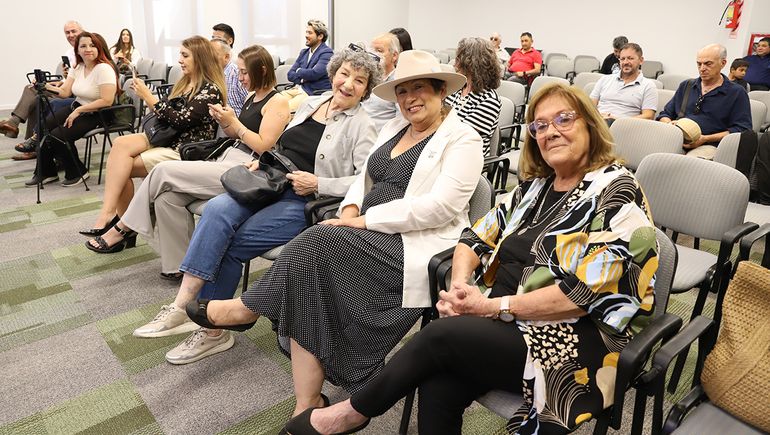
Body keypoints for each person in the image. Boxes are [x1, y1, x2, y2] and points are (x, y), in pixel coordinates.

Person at [281, 82, 658, 435]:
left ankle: (352, 412)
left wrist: (492, 307)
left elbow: (581, 296)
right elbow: (475, 235)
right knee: (439, 378)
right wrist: (461, 284)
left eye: (564, 119)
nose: (550, 132)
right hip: (509, 322)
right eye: (539, 125)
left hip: (572, 339)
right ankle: (352, 412)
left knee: (440, 337)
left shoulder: (617, 190)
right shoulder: (536, 187)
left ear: (591, 126)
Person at [183, 51, 483, 419]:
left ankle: (248, 307)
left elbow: (442, 206)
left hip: (413, 242)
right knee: (310, 270)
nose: (409, 99)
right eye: (402, 91)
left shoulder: (463, 138)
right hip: (366, 228)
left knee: (314, 244)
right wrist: (352, 209)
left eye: (419, 89)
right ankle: (307, 404)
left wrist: (362, 222)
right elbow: (363, 179)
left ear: (441, 91)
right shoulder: (395, 127)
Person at [131, 48, 382, 367]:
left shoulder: (363, 125)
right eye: (345, 74)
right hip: (268, 181)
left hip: (303, 199)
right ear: (333, 74)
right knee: (216, 211)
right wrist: (260, 161)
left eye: (359, 81)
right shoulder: (311, 102)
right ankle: (182, 305)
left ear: (366, 90)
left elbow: (364, 181)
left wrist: (318, 184)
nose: (348, 84)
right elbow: (282, 145)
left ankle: (214, 329)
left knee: (233, 241)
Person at [85, 44, 289, 266]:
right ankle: (178, 267)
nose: (239, 77)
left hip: (247, 168)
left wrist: (235, 124)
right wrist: (225, 122)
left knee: (162, 170)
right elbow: (237, 134)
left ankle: (123, 227)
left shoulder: (277, 101)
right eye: (239, 71)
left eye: (244, 72)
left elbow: (264, 147)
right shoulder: (253, 97)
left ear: (262, 70)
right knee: (167, 198)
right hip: (228, 155)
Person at [84, 36, 225, 235]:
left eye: (185, 56)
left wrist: (149, 97)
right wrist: (151, 99)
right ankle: (111, 216)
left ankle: (122, 226)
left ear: (200, 58)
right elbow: (166, 113)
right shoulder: (184, 82)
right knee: (120, 145)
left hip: (184, 148)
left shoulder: (211, 89)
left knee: (122, 169)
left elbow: (181, 120)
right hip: (169, 137)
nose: (180, 60)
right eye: (180, 55)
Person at [25, 31, 118, 187]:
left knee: (57, 136)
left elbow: (107, 100)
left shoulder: (104, 68)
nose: (88, 49)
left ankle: (78, 171)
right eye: (83, 46)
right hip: (78, 107)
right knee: (43, 127)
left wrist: (79, 111)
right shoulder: (78, 67)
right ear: (78, 50)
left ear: (99, 48)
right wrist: (44, 86)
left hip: (98, 113)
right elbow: (65, 92)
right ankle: (46, 172)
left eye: (92, 45)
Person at [0, 20, 82, 160]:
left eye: (74, 31)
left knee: (34, 92)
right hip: (68, 87)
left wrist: (66, 80)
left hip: (78, 93)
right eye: (67, 32)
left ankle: (15, 124)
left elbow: (88, 79)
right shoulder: (69, 52)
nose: (70, 35)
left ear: (81, 31)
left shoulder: (87, 50)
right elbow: (68, 80)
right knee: (35, 91)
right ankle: (32, 144)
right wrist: (58, 81)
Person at [658, 43, 751, 159]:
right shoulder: (686, 85)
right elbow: (665, 114)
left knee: (686, 166)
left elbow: (742, 130)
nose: (702, 68)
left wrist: (705, 138)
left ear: (723, 63)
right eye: (699, 64)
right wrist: (668, 124)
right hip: (676, 138)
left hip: (709, 145)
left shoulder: (736, 93)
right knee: (653, 157)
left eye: (708, 64)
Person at [446, 37, 502, 154]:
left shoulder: (490, 100)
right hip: (446, 148)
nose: (455, 64)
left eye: (458, 59)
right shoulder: (457, 88)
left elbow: (460, 136)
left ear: (471, 64)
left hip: (467, 155)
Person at [590, 42, 657, 122]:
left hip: (624, 127)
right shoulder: (604, 79)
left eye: (630, 58)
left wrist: (618, 120)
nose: (625, 62)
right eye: (622, 59)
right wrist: (597, 116)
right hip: (598, 122)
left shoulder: (648, 85)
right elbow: (590, 105)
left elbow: (648, 116)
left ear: (641, 60)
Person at [283, 19, 334, 111]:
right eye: (306, 32)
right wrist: (304, 78)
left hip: (312, 93)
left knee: (284, 109)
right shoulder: (304, 52)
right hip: (298, 89)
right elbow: (290, 74)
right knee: (273, 102)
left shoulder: (327, 53)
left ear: (320, 36)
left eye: (310, 33)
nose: (306, 35)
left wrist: (298, 71)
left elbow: (314, 74)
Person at [361, 33, 401, 131]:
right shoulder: (367, 77)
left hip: (379, 138)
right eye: (372, 51)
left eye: (379, 51)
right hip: (357, 131)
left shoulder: (399, 83)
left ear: (394, 56)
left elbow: (401, 122)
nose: (374, 55)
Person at [211, 38, 248, 116]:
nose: (208, 58)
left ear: (226, 57)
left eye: (213, 54)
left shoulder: (237, 74)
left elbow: (251, 106)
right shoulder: (210, 75)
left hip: (239, 123)